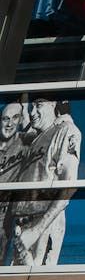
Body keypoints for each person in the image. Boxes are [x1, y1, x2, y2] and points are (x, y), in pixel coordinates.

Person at [9, 96, 82, 265]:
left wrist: (37, 230)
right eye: (31, 107)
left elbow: (68, 187)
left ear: (54, 105)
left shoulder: (66, 130)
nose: (33, 112)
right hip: (23, 226)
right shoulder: (38, 136)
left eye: (38, 106)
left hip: (43, 226)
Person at [0, 101, 27, 264]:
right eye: (5, 119)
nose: (9, 123)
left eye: (15, 118)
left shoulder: (27, 142)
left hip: (6, 212)